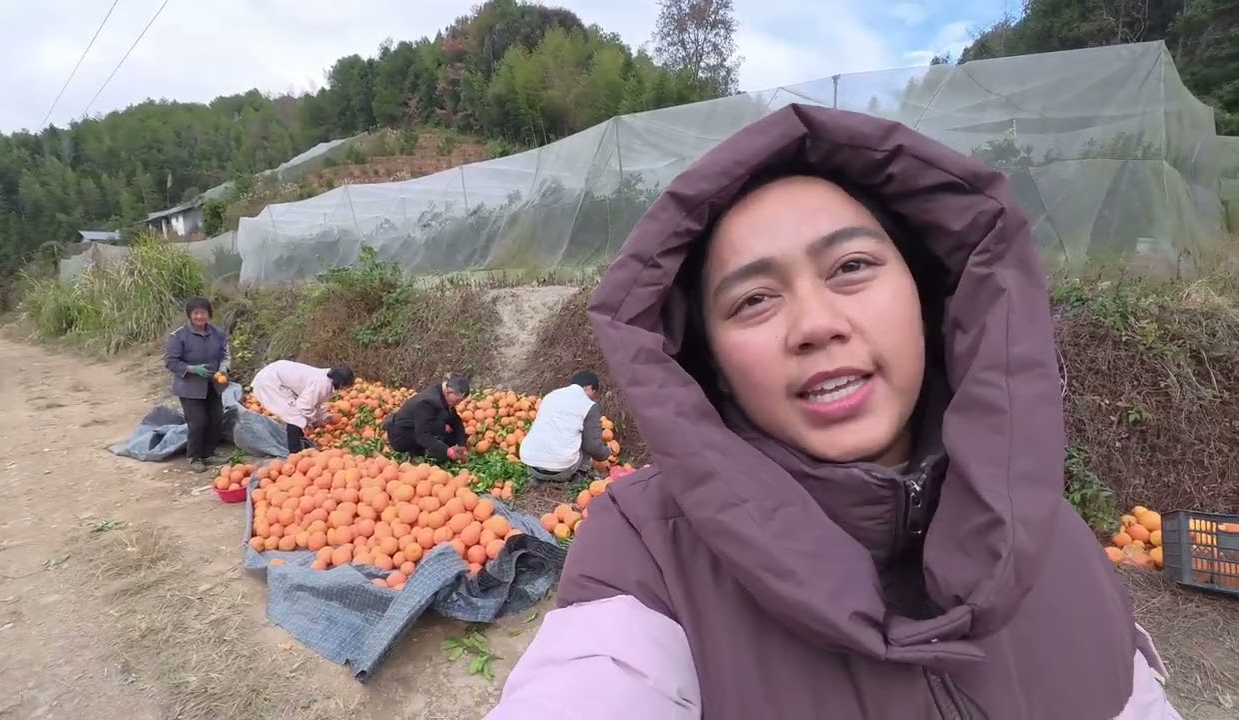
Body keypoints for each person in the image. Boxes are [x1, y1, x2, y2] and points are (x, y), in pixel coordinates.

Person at [486, 105, 1180, 718]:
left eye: (850, 266)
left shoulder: (1053, 536)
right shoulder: (646, 550)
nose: (815, 324)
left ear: (927, 296)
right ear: (715, 368)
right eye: (753, 300)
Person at [163, 296, 231, 473]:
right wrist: (193, 369)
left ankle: (209, 453)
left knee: (216, 420)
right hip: (190, 387)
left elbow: (225, 355)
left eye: (203, 313)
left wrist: (223, 370)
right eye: (196, 313)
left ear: (209, 314)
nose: (200, 317)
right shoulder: (179, 336)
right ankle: (194, 457)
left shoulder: (217, 333)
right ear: (189, 315)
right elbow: (171, 361)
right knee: (198, 422)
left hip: (213, 384)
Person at [518, 371, 611, 482]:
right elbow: (592, 446)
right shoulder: (588, 405)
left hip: (532, 465)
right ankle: (580, 476)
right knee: (585, 435)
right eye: (594, 393)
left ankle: (538, 478)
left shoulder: (550, 396)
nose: (592, 398)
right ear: (590, 388)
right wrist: (606, 453)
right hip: (562, 471)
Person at [250, 360, 355, 455]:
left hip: (279, 377)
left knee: (297, 415)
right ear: (341, 383)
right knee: (294, 416)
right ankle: (294, 453)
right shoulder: (322, 384)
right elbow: (305, 405)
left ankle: (300, 441)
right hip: (270, 380)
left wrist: (323, 416)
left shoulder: (327, 379)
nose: (345, 390)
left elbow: (314, 402)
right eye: (346, 387)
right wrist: (312, 420)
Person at [385, 374, 470, 463]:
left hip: (419, 424)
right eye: (457, 401)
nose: (458, 404)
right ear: (449, 392)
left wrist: (461, 443)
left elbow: (455, 419)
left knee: (450, 434)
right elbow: (422, 435)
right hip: (402, 435)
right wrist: (447, 451)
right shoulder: (428, 402)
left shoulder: (442, 393)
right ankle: (416, 452)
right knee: (441, 453)